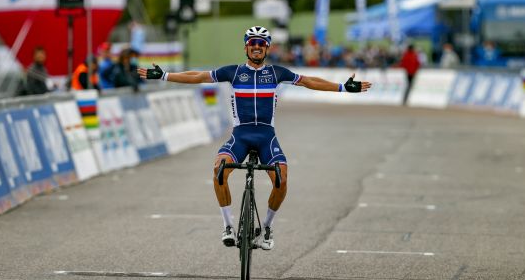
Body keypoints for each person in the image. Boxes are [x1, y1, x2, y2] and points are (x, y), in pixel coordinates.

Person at [138, 26, 372, 250]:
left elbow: (310, 81)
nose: (257, 47)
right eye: (253, 43)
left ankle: (267, 227)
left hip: (266, 138)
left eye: (262, 43)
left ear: (268, 48)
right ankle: (228, 226)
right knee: (219, 170)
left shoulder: (277, 73)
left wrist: (342, 87)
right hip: (240, 137)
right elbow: (198, 76)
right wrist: (165, 75)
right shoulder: (234, 72)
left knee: (281, 179)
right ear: (246, 48)